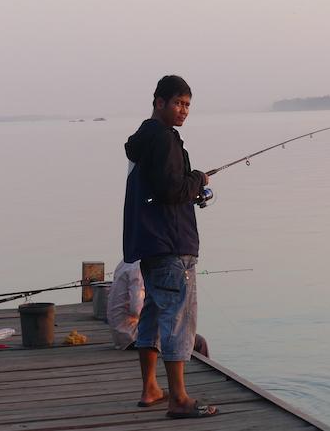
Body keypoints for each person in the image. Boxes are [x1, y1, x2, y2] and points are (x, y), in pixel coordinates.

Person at [122, 75, 218, 419]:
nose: (183, 111)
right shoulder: (164, 140)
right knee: (180, 318)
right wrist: (198, 180)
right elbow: (170, 190)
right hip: (172, 243)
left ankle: (151, 388)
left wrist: (188, 186)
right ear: (158, 102)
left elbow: (161, 189)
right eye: (178, 103)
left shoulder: (144, 139)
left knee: (153, 313)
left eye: (188, 104)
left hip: (149, 242)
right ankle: (179, 398)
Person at [107, 259, 209, 357]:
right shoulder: (139, 268)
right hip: (132, 336)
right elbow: (137, 310)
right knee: (199, 342)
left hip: (120, 334)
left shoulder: (126, 262)